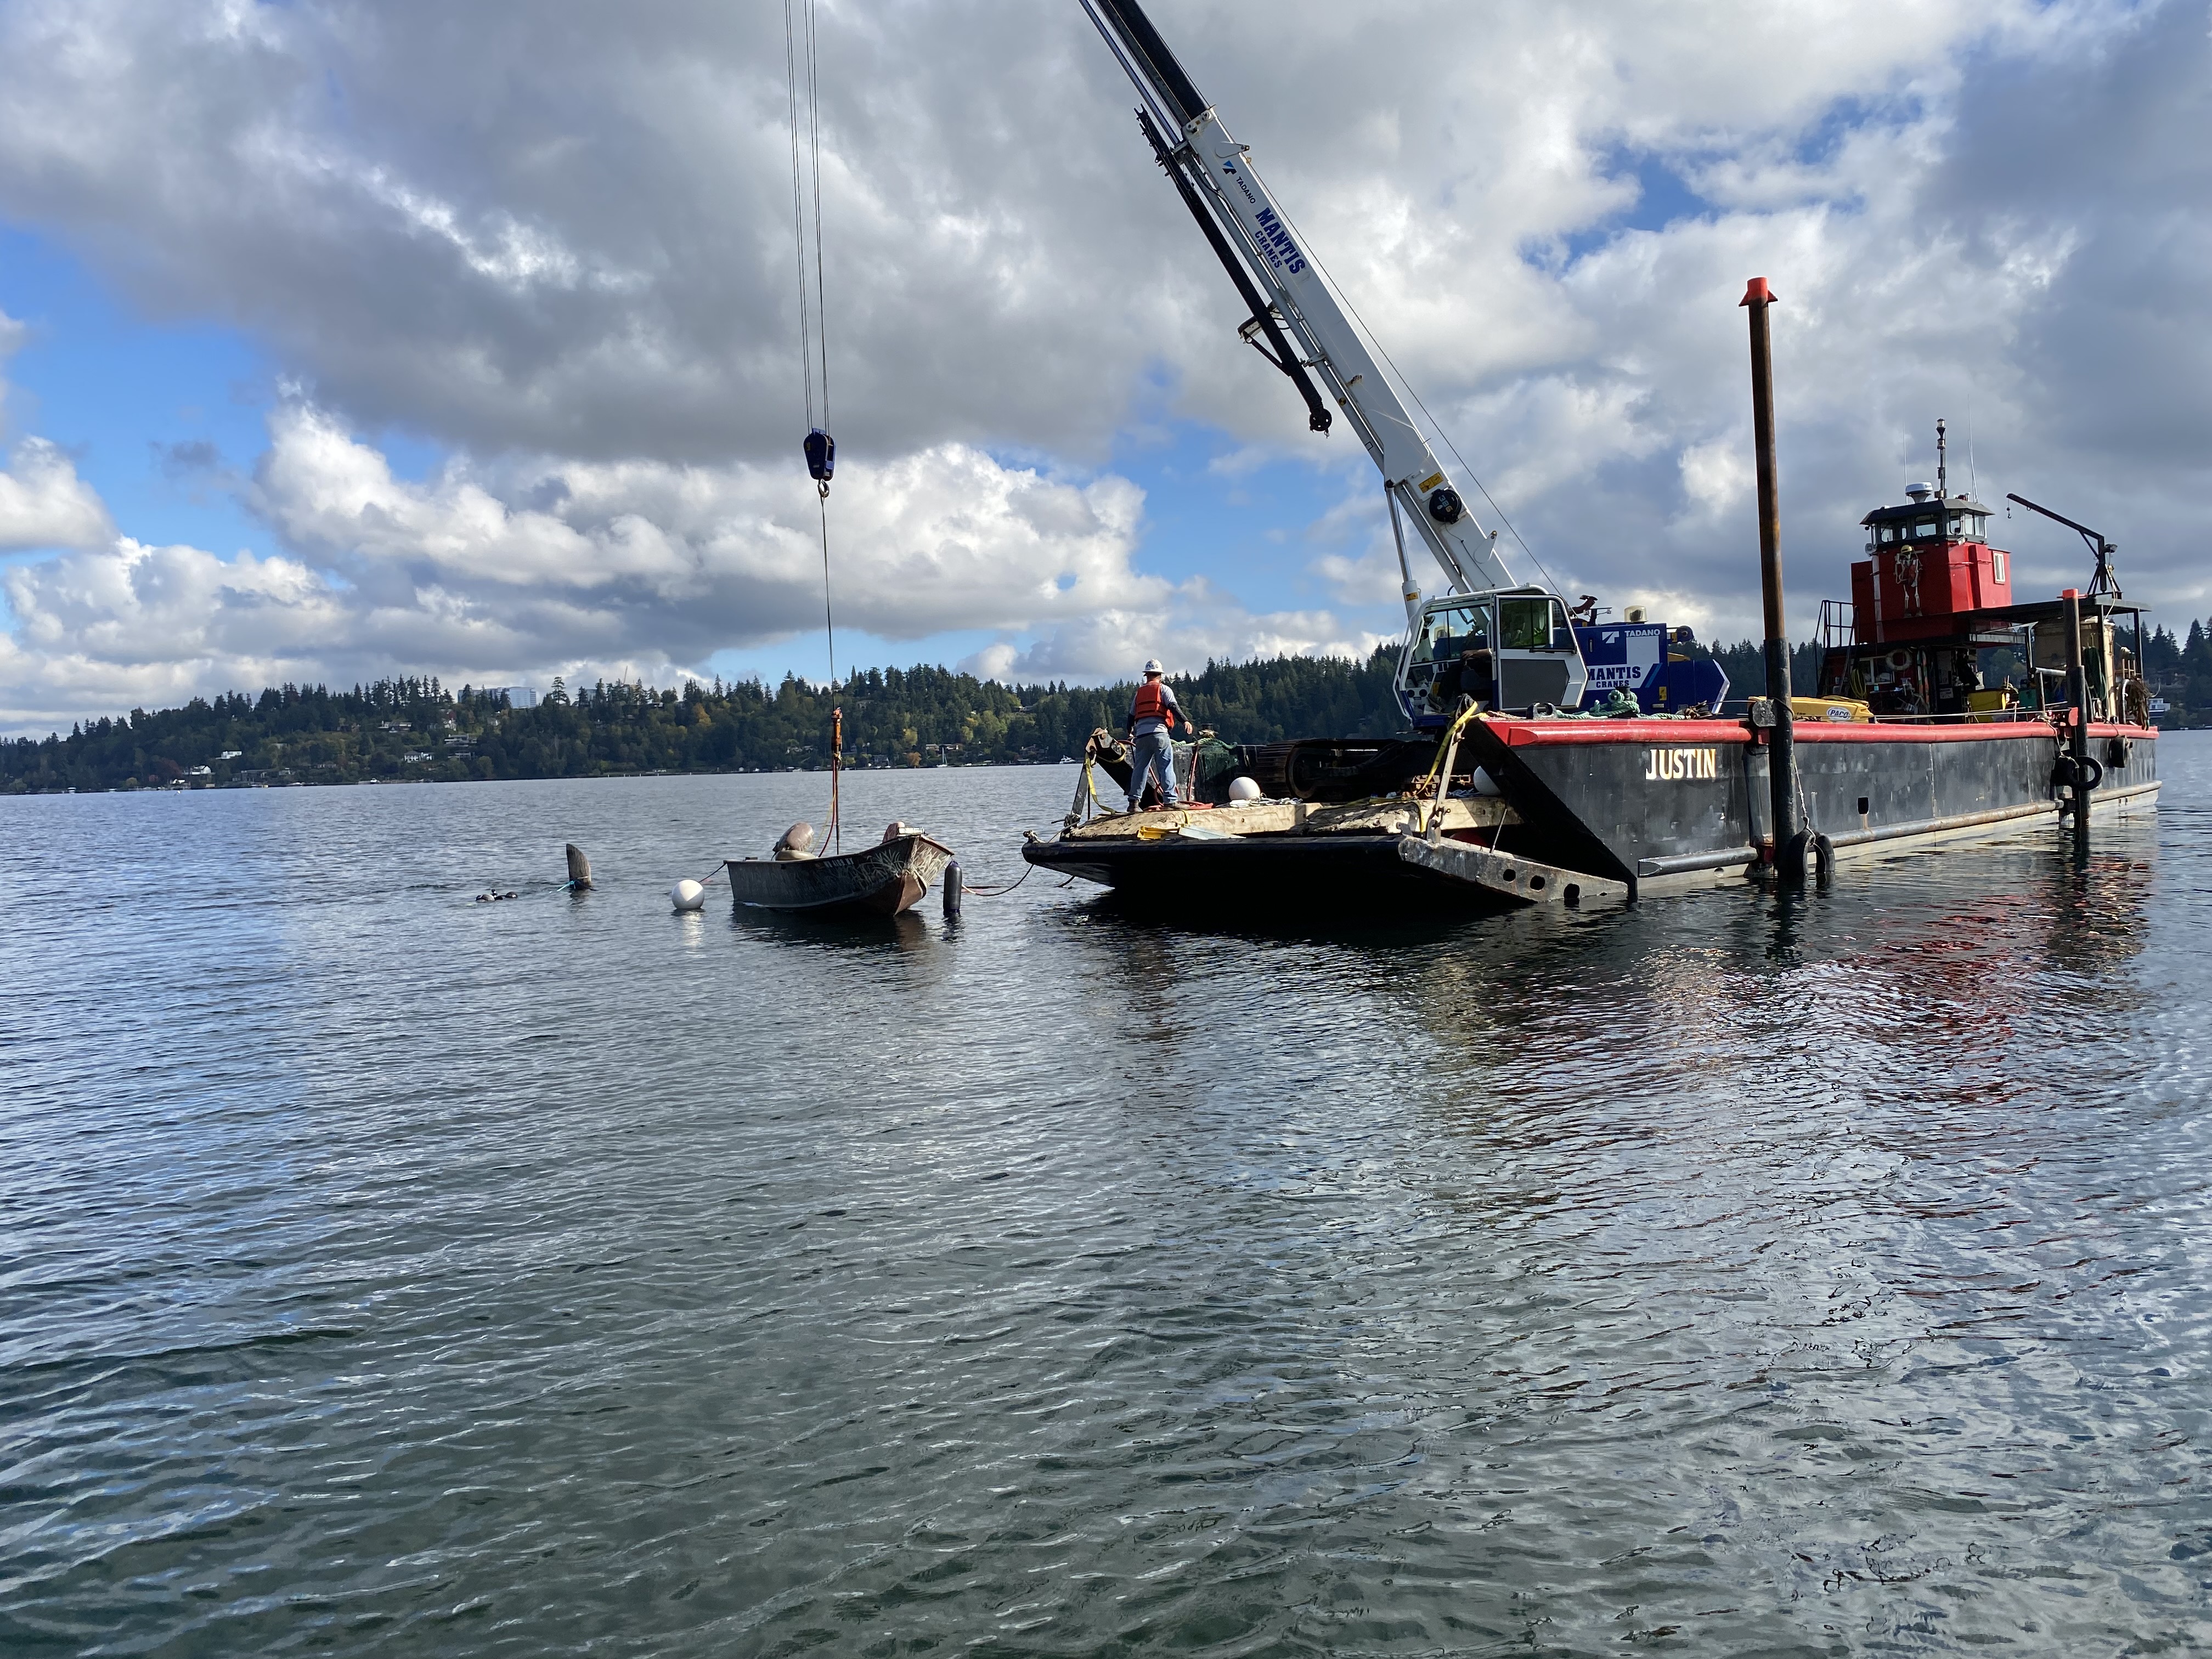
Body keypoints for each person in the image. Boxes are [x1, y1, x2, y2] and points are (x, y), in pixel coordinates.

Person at [1124, 659, 1184, 812]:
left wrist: (1129, 731)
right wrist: (1185, 721)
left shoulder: (1140, 693)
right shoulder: (1164, 690)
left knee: (1140, 769)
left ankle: (1134, 803)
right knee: (1165, 767)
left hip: (1142, 737)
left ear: (1147, 676)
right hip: (1159, 734)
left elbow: (1131, 715)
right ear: (1160, 675)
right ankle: (1170, 801)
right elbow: (1173, 706)